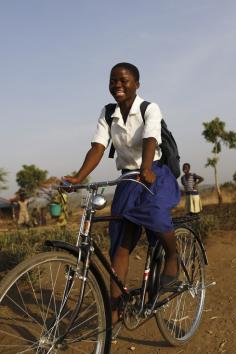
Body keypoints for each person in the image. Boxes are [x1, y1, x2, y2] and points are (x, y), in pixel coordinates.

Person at [63, 62, 181, 329]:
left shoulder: (149, 108)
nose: (118, 85)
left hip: (155, 172)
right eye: (113, 80)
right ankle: (114, 311)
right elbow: (97, 147)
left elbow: (151, 139)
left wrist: (147, 167)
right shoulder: (107, 113)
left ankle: (172, 256)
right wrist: (79, 177)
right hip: (129, 178)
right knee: (121, 242)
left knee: (154, 212)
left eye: (124, 80)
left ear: (136, 84)